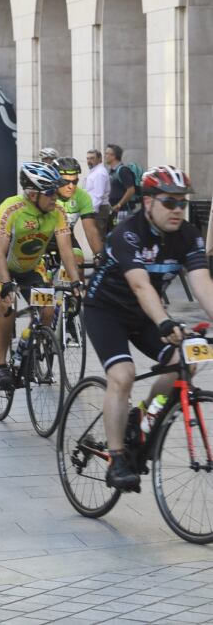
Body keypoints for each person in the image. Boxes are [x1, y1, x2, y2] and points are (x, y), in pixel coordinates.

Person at [82, 166, 213, 490]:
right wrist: (165, 321)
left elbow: (202, 285)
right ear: (149, 202)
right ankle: (117, 459)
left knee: (187, 360)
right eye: (169, 202)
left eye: (182, 202)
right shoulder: (128, 232)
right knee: (123, 375)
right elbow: (140, 286)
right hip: (106, 311)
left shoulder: (188, 234)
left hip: (145, 315)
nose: (178, 210)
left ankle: (142, 417)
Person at [0, 162, 83, 389]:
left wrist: (76, 281)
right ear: (32, 193)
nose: (54, 197)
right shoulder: (11, 208)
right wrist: (6, 283)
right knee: (6, 307)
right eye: (49, 193)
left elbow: (66, 249)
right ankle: (0, 366)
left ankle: (30, 344)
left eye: (55, 191)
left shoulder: (57, 212)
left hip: (30, 267)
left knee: (48, 309)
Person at [54, 156, 104, 267]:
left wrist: (100, 255)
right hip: (45, 241)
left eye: (74, 181)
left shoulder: (82, 196)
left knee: (78, 265)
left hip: (68, 238)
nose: (71, 186)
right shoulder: (47, 195)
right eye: (65, 182)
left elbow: (91, 230)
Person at [106, 143, 137, 227]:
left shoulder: (123, 170)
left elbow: (131, 190)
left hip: (123, 211)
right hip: (115, 211)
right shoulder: (111, 171)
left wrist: (119, 205)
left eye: (107, 154)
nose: (105, 156)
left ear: (113, 156)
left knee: (122, 234)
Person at [85, 149, 111, 237]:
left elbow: (98, 195)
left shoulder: (99, 173)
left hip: (99, 209)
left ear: (100, 159)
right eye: (88, 158)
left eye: (92, 158)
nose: (89, 161)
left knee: (99, 237)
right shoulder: (94, 172)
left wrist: (92, 212)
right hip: (96, 209)